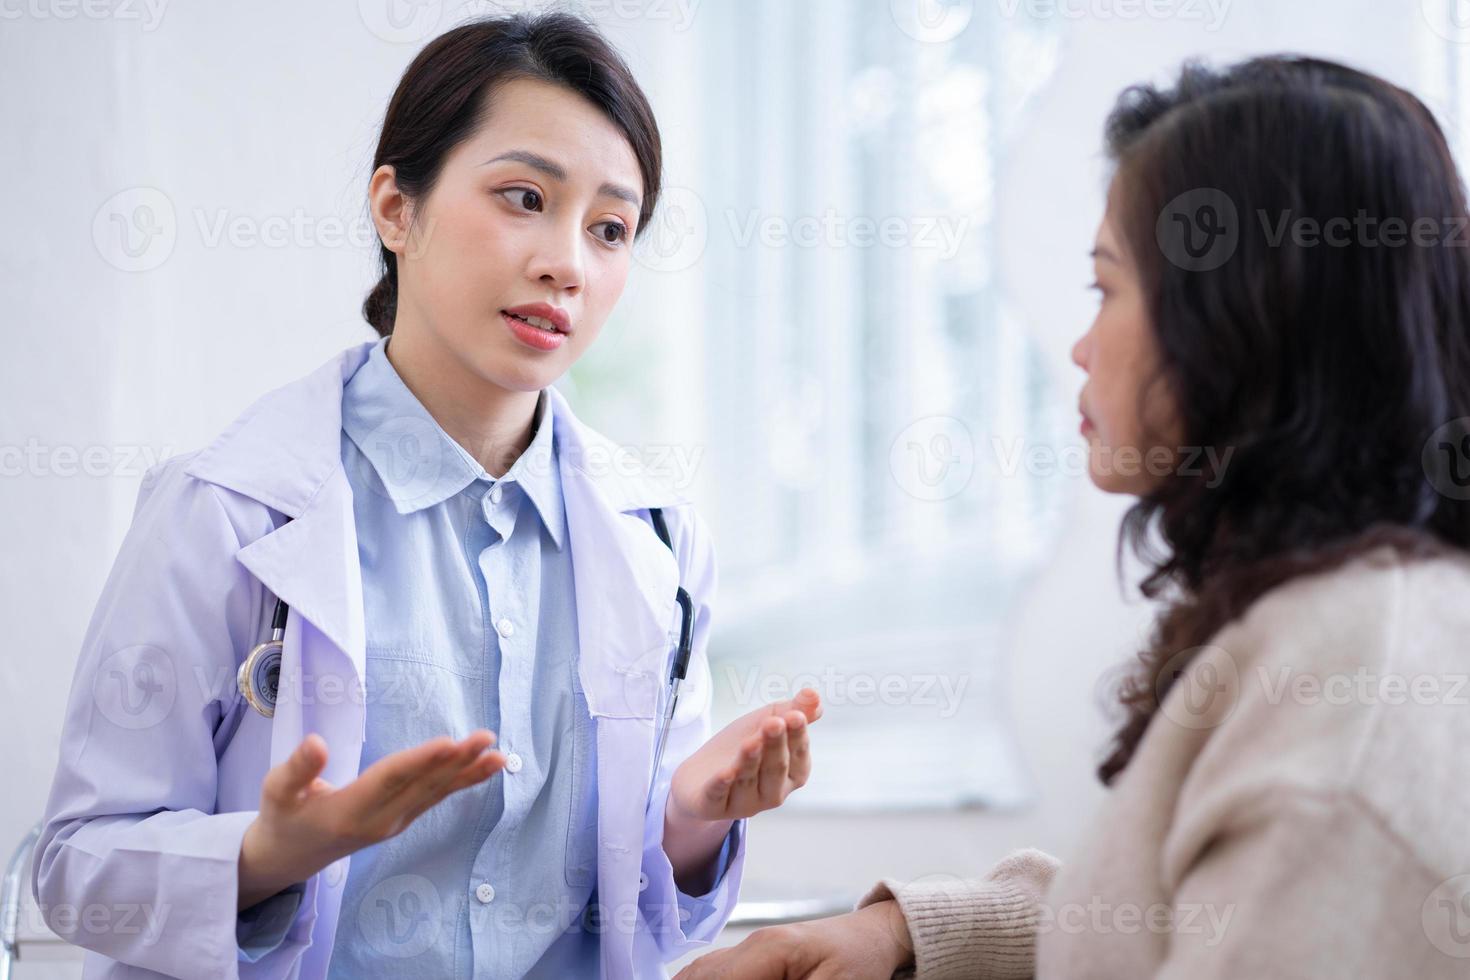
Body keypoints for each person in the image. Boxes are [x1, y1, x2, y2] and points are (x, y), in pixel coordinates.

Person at [34, 14, 821, 979]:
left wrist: (694, 816)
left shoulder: (656, 539)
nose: (566, 263)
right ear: (396, 210)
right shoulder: (227, 510)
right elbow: (74, 867)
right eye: (524, 197)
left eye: (610, 228)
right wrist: (270, 856)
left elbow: (650, 915)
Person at [678, 54, 1470, 980]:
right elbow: (1179, 910)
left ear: (1242, 314)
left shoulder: (1350, 701)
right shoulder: (1330, 620)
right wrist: (901, 936)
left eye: (1107, 288)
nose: (1082, 345)